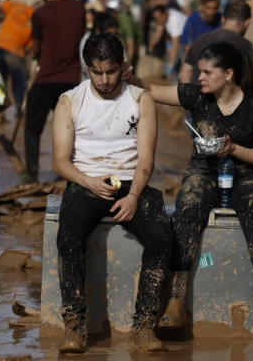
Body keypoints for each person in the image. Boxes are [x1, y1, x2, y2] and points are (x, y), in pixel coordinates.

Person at [123, 41, 253, 329]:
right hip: (203, 172)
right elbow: (154, 90)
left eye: (207, 72)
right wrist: (125, 75)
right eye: (199, 72)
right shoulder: (196, 96)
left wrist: (232, 149)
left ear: (228, 74)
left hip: (247, 174)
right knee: (189, 205)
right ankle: (176, 301)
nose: (200, 78)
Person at [52, 33, 171, 353]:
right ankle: (74, 324)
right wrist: (88, 181)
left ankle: (145, 325)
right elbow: (60, 162)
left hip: (132, 184)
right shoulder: (69, 101)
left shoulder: (140, 98)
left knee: (162, 234)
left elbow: (146, 158)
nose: (104, 80)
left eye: (111, 71)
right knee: (67, 236)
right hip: (86, 182)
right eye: (96, 72)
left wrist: (133, 196)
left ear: (124, 67)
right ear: (86, 68)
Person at [24, 0, 85, 184]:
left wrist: (36, 55)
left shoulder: (40, 13)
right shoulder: (79, 9)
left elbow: (36, 47)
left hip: (46, 79)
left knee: (32, 129)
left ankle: (31, 176)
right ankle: (70, 177)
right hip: (71, 81)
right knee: (71, 131)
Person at [180, 0, 253, 91]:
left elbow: (184, 74)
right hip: (225, 102)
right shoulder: (244, 45)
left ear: (223, 19)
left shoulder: (200, 40)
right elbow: (252, 82)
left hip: (198, 99)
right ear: (246, 23)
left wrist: (190, 98)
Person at [0, 0, 36, 118]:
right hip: (15, 52)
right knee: (18, 83)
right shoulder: (37, 20)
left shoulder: (18, 6)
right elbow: (31, 48)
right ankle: (20, 114)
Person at [150, 5, 188, 80]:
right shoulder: (165, 15)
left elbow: (175, 46)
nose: (158, 21)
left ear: (164, 13)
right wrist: (152, 44)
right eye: (156, 19)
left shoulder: (174, 21)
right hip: (177, 38)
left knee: (175, 59)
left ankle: (176, 80)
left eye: (159, 18)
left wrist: (170, 65)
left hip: (186, 40)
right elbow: (159, 31)